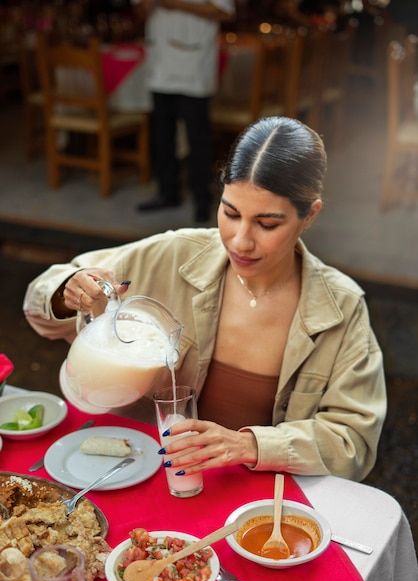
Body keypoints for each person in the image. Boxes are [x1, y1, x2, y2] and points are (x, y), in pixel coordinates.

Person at [23, 116, 386, 482]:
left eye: (268, 224)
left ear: (309, 215)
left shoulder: (340, 307)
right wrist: (67, 289)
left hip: (258, 502)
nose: (240, 241)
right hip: (138, 471)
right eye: (230, 213)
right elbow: (39, 305)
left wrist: (250, 445)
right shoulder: (174, 254)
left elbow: (353, 442)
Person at [133, 0, 235, 222]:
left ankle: (202, 198)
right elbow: (141, 11)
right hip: (159, 63)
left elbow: (223, 12)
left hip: (194, 65)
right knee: (162, 136)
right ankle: (168, 193)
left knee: (198, 139)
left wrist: (175, 4)